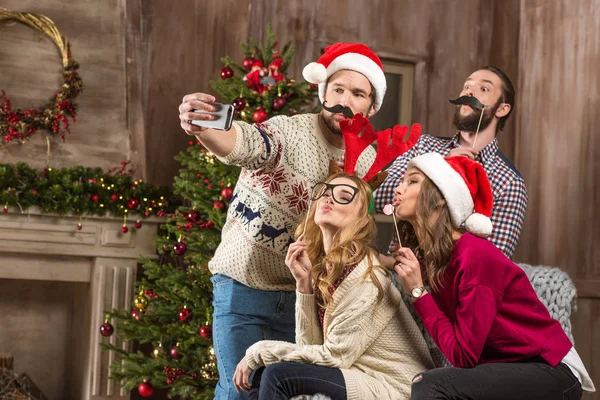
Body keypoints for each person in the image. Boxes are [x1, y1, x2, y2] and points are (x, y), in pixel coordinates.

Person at [178, 43, 388, 399]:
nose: (345, 100)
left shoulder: (368, 163)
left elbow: (355, 235)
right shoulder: (289, 132)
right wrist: (203, 126)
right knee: (239, 392)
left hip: (302, 299)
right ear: (323, 91)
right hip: (244, 288)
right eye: (338, 89)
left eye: (357, 93)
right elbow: (243, 142)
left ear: (371, 105)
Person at [390, 152, 595, 399]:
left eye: (412, 181)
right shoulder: (435, 260)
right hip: (504, 369)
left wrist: (418, 292)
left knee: (430, 384)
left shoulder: (474, 255)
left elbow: (463, 357)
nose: (398, 189)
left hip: (551, 370)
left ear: (441, 199)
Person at [233, 172, 434, 400]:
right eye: (325, 193)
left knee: (279, 375)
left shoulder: (366, 277)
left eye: (344, 196)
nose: (328, 199)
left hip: (396, 387)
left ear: (363, 219)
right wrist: (304, 285)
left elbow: (333, 357)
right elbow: (310, 347)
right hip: (357, 373)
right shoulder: (327, 268)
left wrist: (259, 350)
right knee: (264, 374)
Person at [375, 66, 527, 259]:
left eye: (484, 89)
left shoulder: (509, 182)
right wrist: (439, 168)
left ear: (502, 108)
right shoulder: (424, 146)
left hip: (453, 285)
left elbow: (492, 263)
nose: (469, 92)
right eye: (467, 86)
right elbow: (377, 197)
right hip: (398, 273)